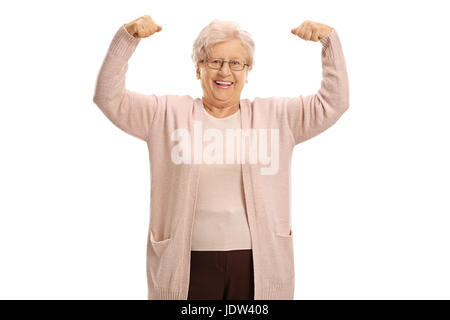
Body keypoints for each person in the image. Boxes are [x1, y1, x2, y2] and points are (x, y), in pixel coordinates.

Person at [93, 14, 349, 300]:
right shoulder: (164, 114)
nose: (225, 72)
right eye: (214, 61)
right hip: (186, 265)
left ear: (247, 71)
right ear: (198, 68)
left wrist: (330, 42)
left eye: (236, 63)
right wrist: (126, 39)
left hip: (256, 266)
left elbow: (334, 103)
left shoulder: (278, 117)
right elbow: (108, 97)